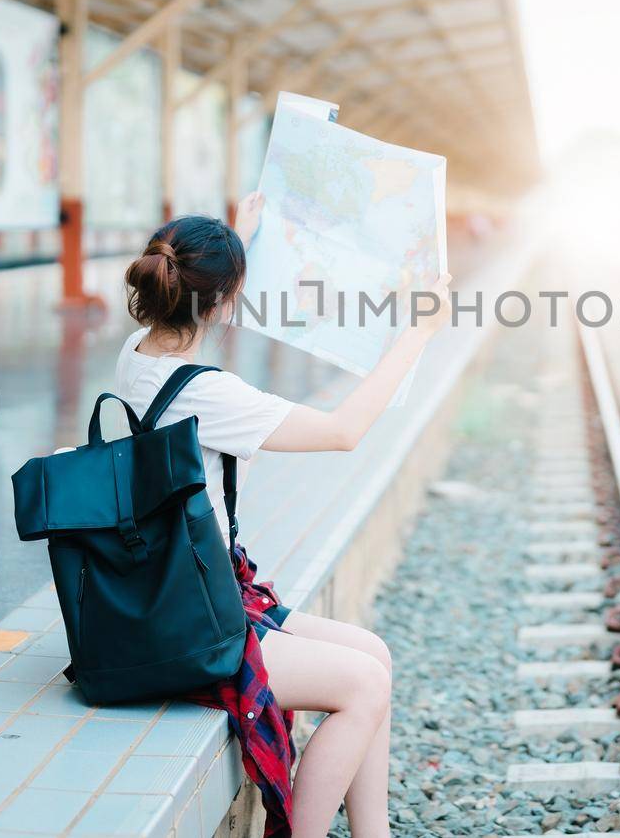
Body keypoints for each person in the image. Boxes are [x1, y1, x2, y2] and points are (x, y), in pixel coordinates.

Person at [115, 191, 449, 838]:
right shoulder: (209, 395)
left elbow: (192, 300)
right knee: (364, 686)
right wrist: (420, 331)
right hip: (192, 626)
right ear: (220, 301)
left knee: (372, 652)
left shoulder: (136, 355)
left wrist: (229, 244)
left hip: (170, 592)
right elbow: (345, 429)